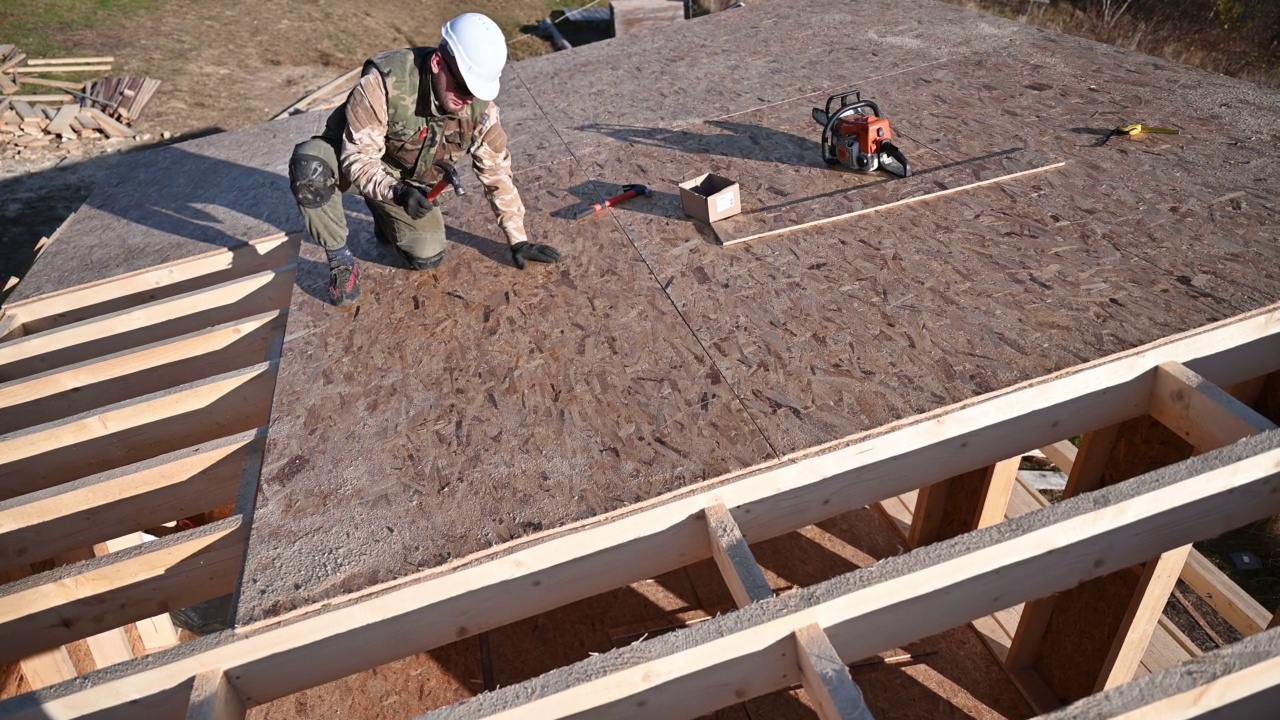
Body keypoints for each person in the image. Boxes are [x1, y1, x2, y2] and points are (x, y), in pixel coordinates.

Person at [288, 12, 562, 306]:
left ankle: (383, 212)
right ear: (437, 63)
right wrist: (396, 191)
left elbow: (496, 173)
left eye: (475, 92)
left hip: (405, 180)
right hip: (350, 160)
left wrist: (517, 237)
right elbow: (358, 160)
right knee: (310, 166)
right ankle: (339, 260)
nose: (467, 100)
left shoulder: (479, 109)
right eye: (462, 87)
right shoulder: (382, 82)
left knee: (426, 254)